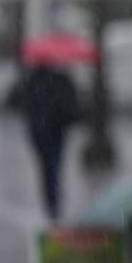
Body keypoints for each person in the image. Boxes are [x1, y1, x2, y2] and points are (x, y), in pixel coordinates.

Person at [12, 66, 81, 220]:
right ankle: (53, 197)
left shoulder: (33, 80)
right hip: (54, 131)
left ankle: (52, 198)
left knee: (48, 165)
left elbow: (15, 102)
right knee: (53, 164)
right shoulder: (60, 79)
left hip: (42, 131)